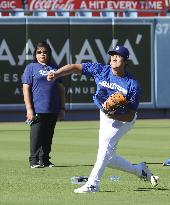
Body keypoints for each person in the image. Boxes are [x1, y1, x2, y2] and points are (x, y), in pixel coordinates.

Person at [47, 45, 159, 193]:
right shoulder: (101, 70)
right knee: (109, 158)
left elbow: (130, 115)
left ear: (125, 61)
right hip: (105, 114)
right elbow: (75, 67)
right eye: (112, 54)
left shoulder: (132, 84)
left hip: (123, 119)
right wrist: (56, 74)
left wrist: (113, 114)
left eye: (118, 55)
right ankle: (140, 170)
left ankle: (93, 184)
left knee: (105, 147)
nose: (114, 57)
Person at [22, 41, 65, 168]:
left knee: (48, 135)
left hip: (52, 107)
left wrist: (62, 108)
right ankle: (34, 160)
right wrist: (29, 109)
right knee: (36, 135)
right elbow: (25, 88)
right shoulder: (31, 67)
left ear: (49, 54)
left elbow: (61, 89)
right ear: (35, 55)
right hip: (37, 108)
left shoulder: (55, 67)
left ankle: (45, 159)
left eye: (45, 52)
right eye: (39, 52)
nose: (42, 54)